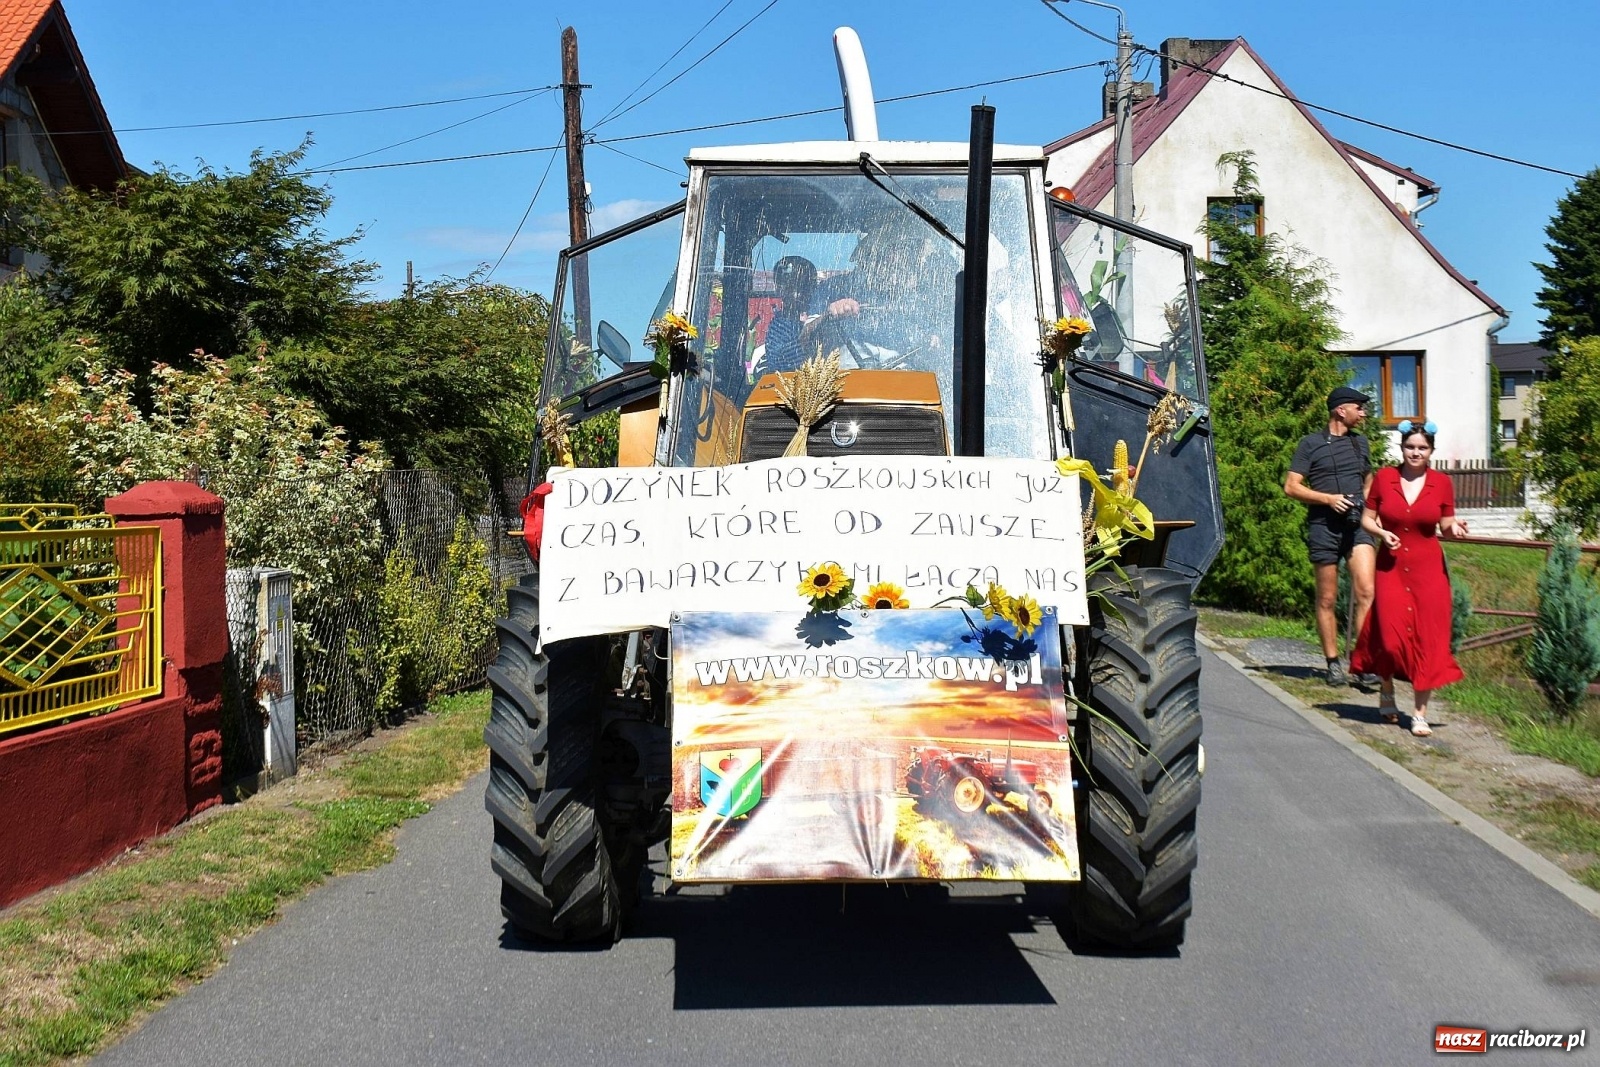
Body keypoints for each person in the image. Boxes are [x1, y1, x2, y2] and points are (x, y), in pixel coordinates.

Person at [1350, 422, 1467, 736]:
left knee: (1427, 641)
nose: (1416, 453)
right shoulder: (1385, 478)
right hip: (1390, 568)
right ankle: (1386, 689)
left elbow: (1445, 525)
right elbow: (1367, 518)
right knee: (1389, 638)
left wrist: (1455, 528)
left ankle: (1419, 714)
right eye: (1410, 447)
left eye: (1422, 448)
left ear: (1431, 451)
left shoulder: (1441, 483)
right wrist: (1380, 533)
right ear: (1402, 448)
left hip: (1429, 573)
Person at [1284, 385, 1378, 686]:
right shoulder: (1310, 444)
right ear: (1341, 410)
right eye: (1358, 408)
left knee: (1366, 592)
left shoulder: (1360, 443)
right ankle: (1333, 663)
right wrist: (1328, 499)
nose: (1363, 414)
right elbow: (1292, 486)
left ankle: (1361, 663)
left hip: (1357, 526)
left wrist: (1366, 509)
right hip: (1324, 527)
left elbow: (1369, 481)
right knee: (1327, 598)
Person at [764, 255, 818, 373]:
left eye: (804, 286)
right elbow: (779, 361)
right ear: (779, 290)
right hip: (794, 387)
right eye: (791, 286)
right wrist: (807, 336)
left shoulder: (823, 314)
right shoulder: (779, 326)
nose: (798, 294)